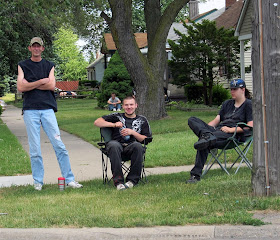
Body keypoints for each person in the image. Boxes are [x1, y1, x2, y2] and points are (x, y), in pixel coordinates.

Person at [17, 37, 83, 191]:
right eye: (33, 46)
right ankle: (38, 182)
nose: (36, 48)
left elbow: (52, 85)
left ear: (42, 48)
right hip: (30, 110)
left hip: (47, 109)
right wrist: (41, 82)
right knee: (35, 149)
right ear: (29, 48)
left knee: (59, 145)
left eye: (38, 46)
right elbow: (21, 86)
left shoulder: (49, 65)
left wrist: (30, 84)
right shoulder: (22, 65)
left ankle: (69, 179)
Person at [186, 79, 253, 183]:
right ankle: (207, 136)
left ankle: (195, 176)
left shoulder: (248, 104)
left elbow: (250, 126)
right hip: (216, 132)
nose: (232, 91)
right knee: (192, 120)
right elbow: (216, 120)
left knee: (204, 142)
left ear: (243, 89)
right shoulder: (227, 103)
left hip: (231, 136)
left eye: (235, 89)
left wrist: (231, 130)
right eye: (231, 89)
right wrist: (205, 130)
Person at [94, 96, 152, 190]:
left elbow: (146, 139)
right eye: (126, 105)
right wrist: (114, 124)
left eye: (131, 104)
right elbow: (97, 122)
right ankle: (119, 182)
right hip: (116, 147)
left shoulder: (142, 120)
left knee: (138, 146)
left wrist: (133, 132)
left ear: (136, 105)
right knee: (113, 145)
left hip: (132, 147)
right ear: (123, 106)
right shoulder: (116, 116)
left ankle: (132, 181)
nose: (129, 107)